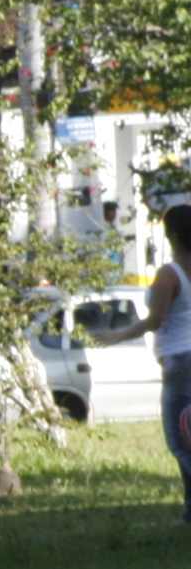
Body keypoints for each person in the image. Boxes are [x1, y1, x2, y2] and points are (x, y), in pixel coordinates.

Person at [97, 202, 191, 523]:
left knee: (179, 442)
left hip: (180, 363)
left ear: (173, 235)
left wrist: (117, 335)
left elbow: (155, 320)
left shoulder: (170, 274)